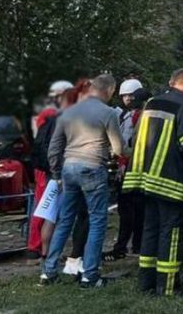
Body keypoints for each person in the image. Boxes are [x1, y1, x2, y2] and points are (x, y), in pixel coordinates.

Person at [124, 69, 183, 297]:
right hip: (172, 181)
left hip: (145, 178)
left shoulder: (151, 103)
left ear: (171, 82)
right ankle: (168, 287)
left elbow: (135, 137)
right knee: (172, 233)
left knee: (150, 229)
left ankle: (146, 283)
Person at [40, 74, 123, 288]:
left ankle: (48, 272)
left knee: (65, 220)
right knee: (97, 221)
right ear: (110, 90)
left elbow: (54, 148)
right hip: (93, 167)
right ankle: (90, 275)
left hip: (69, 168)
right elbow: (118, 149)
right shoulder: (108, 113)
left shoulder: (69, 112)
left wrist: (56, 174)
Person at [27, 80, 72, 256]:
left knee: (45, 208)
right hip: (50, 168)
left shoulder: (48, 114)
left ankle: (39, 248)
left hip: (46, 166)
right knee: (46, 209)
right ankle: (36, 247)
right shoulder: (53, 115)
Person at [112, 82, 149, 260]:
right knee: (133, 209)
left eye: (130, 95)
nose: (127, 99)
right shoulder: (125, 115)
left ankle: (125, 246)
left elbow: (126, 145)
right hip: (132, 167)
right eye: (124, 95)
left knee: (130, 209)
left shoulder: (136, 116)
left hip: (132, 168)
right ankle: (135, 245)